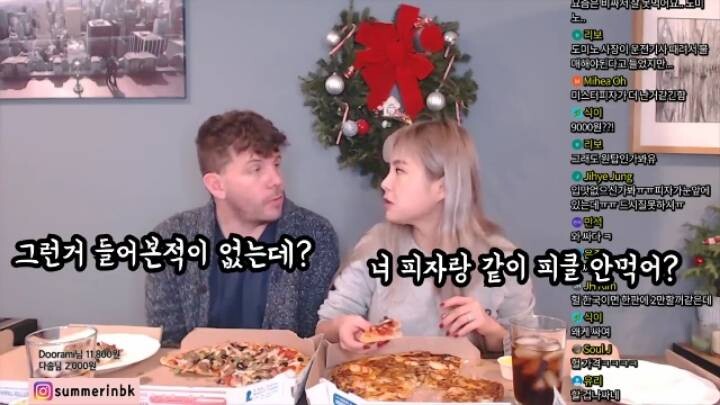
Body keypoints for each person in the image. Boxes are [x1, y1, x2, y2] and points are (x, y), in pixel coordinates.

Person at [316, 119, 535, 356]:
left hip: (472, 381)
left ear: (443, 187)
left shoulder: (504, 259)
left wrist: (490, 329)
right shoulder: (376, 245)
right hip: (385, 378)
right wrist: (341, 327)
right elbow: (323, 327)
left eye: (400, 170)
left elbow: (530, 349)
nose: (385, 183)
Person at [146, 110, 340, 345]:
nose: (277, 180)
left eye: (276, 164)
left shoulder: (315, 236)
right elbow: (169, 346)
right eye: (256, 169)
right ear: (216, 185)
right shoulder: (169, 240)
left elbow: (315, 340)